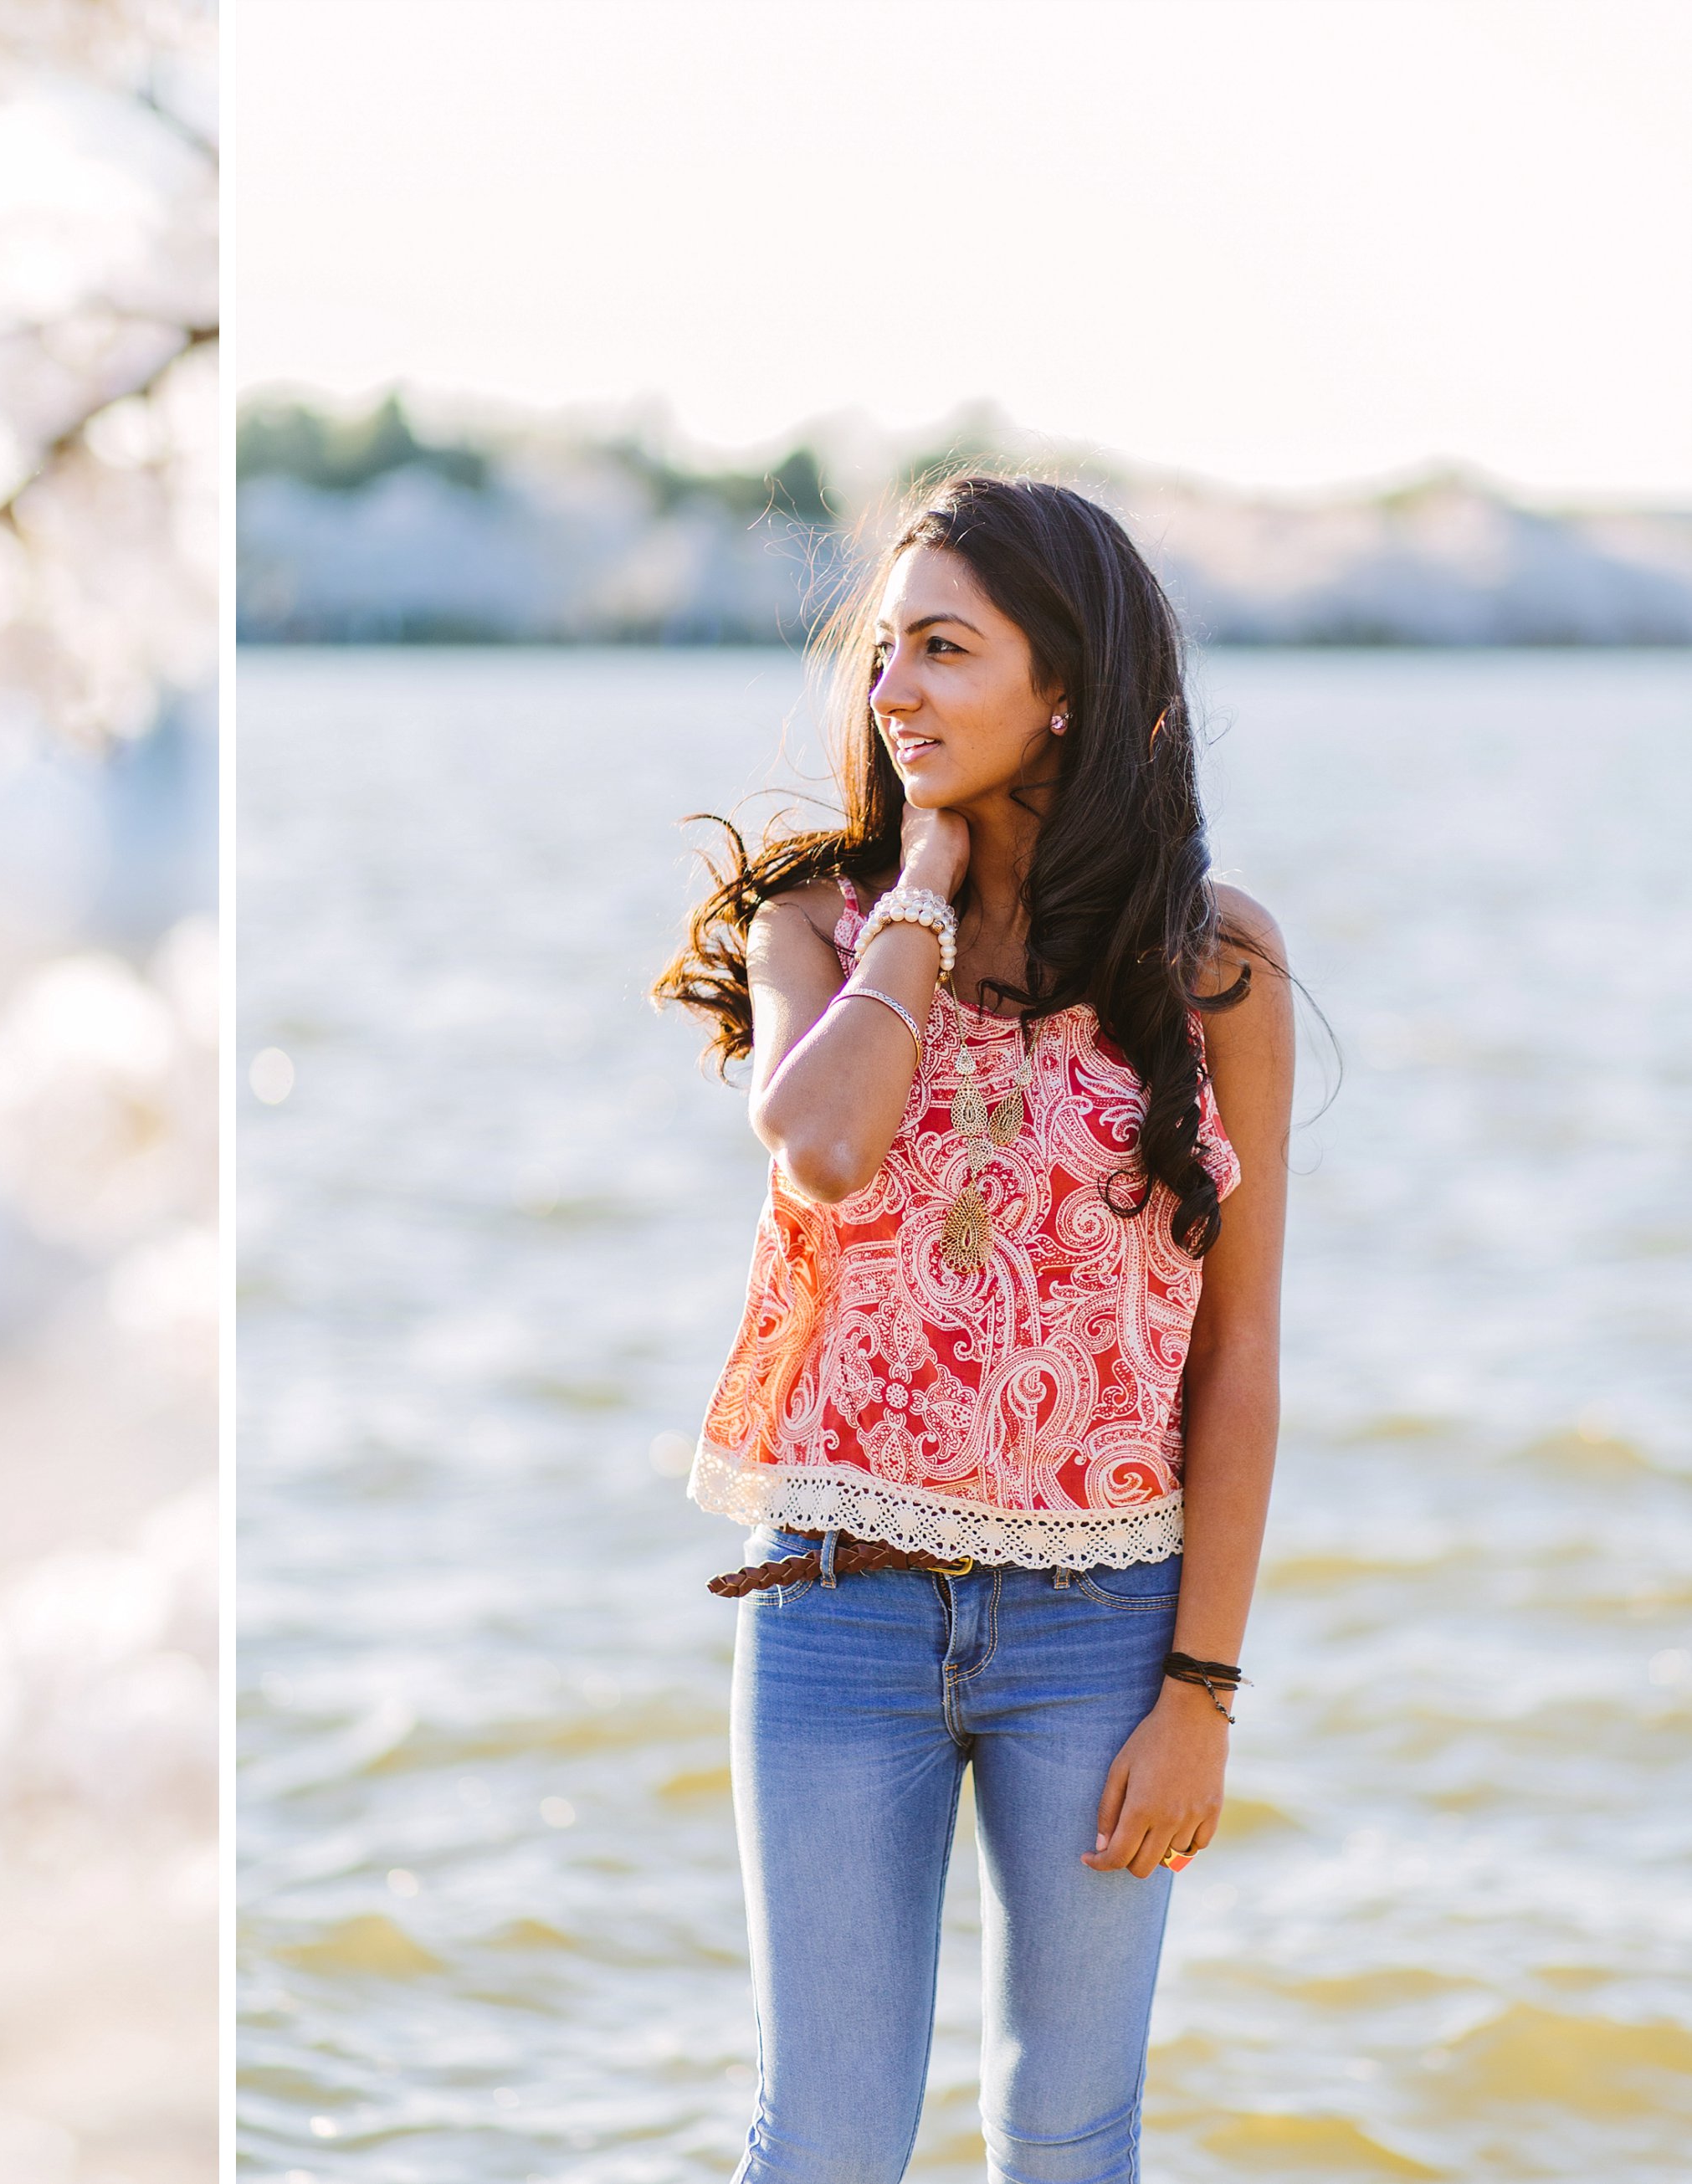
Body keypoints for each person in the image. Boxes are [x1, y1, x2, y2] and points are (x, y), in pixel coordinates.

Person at [655, 474, 1292, 2182]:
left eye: (944, 650)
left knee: (1069, 2141)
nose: (895, 694)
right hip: (832, 1620)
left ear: (1063, 682)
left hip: (1104, 1632)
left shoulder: (1216, 971)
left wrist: (1201, 1694)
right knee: (825, 2144)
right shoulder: (825, 929)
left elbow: (1236, 1363)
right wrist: (921, 891)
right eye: (883, 656)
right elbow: (826, 1143)